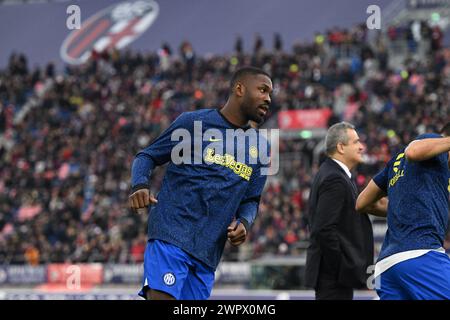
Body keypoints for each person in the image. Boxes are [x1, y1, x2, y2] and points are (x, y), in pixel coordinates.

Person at [129, 67, 272, 300]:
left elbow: (251, 200)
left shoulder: (261, 148)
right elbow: (147, 156)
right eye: (263, 90)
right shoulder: (192, 123)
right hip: (171, 236)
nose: (268, 98)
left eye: (270, 94)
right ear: (239, 89)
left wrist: (244, 222)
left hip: (207, 254)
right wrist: (140, 185)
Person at [356, 123, 450, 300]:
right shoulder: (432, 144)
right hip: (419, 255)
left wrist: (398, 206)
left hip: (386, 267)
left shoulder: (396, 163)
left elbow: (362, 203)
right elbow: (413, 151)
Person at [305, 122, 374, 300]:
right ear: (341, 147)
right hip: (333, 277)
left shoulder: (335, 174)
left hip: (334, 276)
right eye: (356, 142)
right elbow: (324, 229)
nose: (361, 147)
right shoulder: (334, 178)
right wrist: (343, 266)